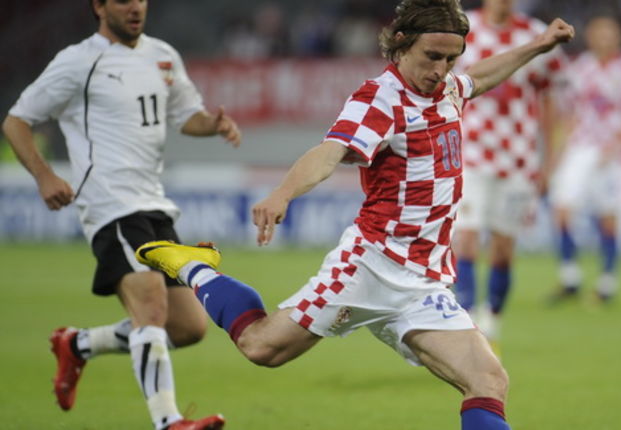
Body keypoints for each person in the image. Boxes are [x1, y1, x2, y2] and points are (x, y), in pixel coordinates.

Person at [134, 1, 573, 428]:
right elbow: (331, 152)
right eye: (432, 57)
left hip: (423, 283)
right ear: (400, 45)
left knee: (489, 379)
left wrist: (538, 45)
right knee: (261, 347)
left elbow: (480, 75)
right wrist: (284, 193)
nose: (441, 69)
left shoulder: (449, 88)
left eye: (451, 58)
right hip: (369, 267)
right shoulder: (380, 99)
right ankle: (194, 267)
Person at [2, 1, 241, 429]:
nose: (135, 7)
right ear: (98, 6)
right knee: (150, 308)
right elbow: (17, 120)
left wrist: (215, 124)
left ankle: (78, 345)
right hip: (109, 202)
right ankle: (168, 421)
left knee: (188, 326)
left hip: (154, 203)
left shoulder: (162, 54)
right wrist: (43, 176)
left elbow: (187, 115)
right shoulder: (78, 61)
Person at [452, 0, 567, 352]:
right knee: (466, 239)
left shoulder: (535, 35)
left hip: (518, 158)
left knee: (503, 249)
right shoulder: (461, 28)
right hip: (469, 154)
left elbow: (549, 99)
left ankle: (493, 321)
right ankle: (466, 326)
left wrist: (548, 162)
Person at [548, 15, 621, 303]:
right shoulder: (580, 68)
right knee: (562, 208)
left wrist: (620, 144)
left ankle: (607, 283)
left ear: (618, 36)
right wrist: (560, 152)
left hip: (613, 151)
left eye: (610, 33)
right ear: (590, 36)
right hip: (580, 147)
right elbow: (568, 112)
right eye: (599, 33)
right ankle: (570, 278)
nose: (604, 38)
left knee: (608, 216)